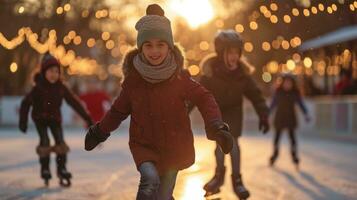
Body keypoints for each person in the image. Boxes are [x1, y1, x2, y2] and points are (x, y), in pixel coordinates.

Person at [84, 4, 233, 200]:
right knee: (149, 181)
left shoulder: (180, 78)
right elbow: (117, 112)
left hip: (175, 149)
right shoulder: (133, 82)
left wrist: (216, 126)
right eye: (148, 45)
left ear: (169, 46)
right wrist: (100, 131)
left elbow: (204, 98)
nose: (154, 51)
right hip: (144, 145)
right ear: (141, 47)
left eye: (160, 45)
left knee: (163, 196)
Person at [198, 30, 270, 199]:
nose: (234, 57)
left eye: (237, 53)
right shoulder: (210, 73)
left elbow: (256, 95)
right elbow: (198, 95)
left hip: (234, 113)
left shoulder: (242, 74)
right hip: (216, 113)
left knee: (234, 145)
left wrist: (264, 115)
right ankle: (218, 177)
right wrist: (184, 111)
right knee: (219, 145)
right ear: (221, 52)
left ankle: (237, 180)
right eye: (230, 52)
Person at [19, 53, 93, 186]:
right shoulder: (38, 88)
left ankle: (62, 169)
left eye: (56, 71)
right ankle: (45, 168)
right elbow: (25, 104)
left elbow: (74, 102)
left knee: (60, 143)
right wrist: (23, 121)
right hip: (40, 119)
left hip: (55, 119)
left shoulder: (61, 87)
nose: (53, 74)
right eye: (50, 71)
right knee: (45, 141)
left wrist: (86, 117)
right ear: (43, 72)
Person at [269, 74, 310, 169]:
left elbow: (301, 104)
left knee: (292, 139)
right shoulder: (278, 92)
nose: (287, 84)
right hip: (279, 118)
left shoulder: (294, 93)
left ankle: (295, 157)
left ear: (292, 84)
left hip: (290, 118)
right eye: (285, 82)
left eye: (289, 83)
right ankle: (274, 156)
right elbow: (273, 104)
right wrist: (267, 114)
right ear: (282, 83)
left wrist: (306, 114)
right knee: (276, 139)